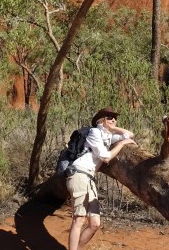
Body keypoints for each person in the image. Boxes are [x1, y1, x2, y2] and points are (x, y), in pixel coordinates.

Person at [66, 107, 137, 250]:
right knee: (79, 219)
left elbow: (130, 134)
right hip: (79, 173)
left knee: (95, 224)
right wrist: (122, 143)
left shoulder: (108, 135)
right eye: (109, 117)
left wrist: (114, 128)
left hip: (89, 178)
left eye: (115, 118)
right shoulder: (95, 132)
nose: (114, 120)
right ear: (101, 120)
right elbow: (105, 157)